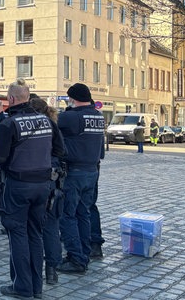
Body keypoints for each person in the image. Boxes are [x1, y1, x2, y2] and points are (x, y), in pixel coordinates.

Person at [0, 79, 61, 299]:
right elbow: (60, 150)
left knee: (17, 234)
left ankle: (22, 286)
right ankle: (36, 287)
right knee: (35, 233)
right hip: (43, 185)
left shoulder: (9, 124)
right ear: (28, 97)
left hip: (18, 184)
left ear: (10, 99)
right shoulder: (47, 121)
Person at [57, 83, 105, 274]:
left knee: (67, 215)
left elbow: (53, 121)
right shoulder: (98, 116)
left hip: (74, 173)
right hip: (92, 172)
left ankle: (76, 258)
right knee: (83, 213)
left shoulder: (72, 116)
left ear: (73, 98)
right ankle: (84, 252)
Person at [29, 96, 65, 286]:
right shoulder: (52, 125)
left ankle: (34, 271)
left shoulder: (33, 125)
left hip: (35, 178)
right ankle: (51, 271)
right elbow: (61, 151)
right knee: (51, 225)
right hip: (52, 178)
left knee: (33, 227)